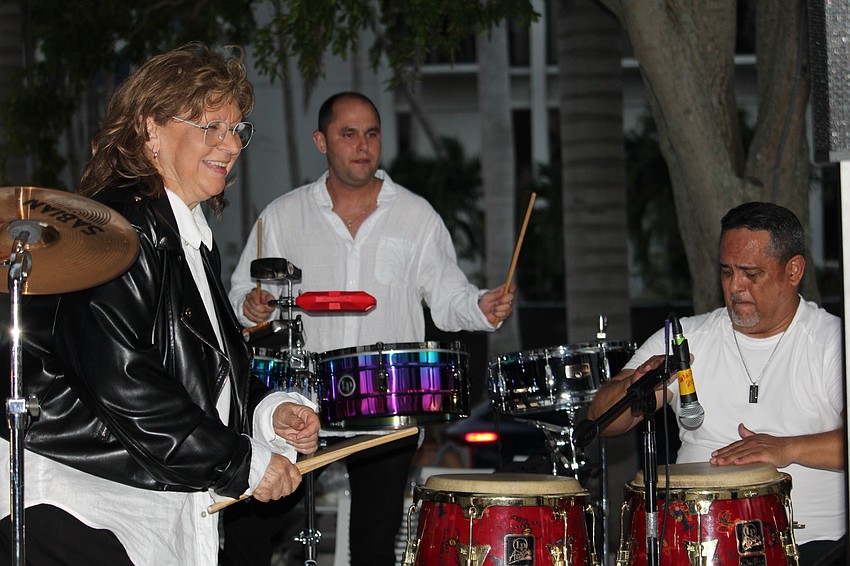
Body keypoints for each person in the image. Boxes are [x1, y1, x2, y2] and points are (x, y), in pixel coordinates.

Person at [0, 43, 320, 566]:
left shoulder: (189, 238)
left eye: (236, 129)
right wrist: (240, 463)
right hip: (81, 504)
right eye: (208, 126)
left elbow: (202, 370)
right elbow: (121, 378)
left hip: (136, 498)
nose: (230, 144)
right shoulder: (115, 229)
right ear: (150, 130)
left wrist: (268, 414)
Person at [225, 91, 515, 566]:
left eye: (372, 133)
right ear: (321, 141)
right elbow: (242, 294)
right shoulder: (282, 215)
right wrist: (252, 307)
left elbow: (447, 300)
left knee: (374, 545)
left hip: (390, 402)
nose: (363, 145)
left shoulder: (416, 215)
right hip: (301, 401)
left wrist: (481, 306)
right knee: (252, 526)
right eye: (349, 133)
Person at [588, 201, 846, 566]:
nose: (735, 286)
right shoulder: (687, 338)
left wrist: (785, 448)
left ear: (793, 271)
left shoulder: (831, 342)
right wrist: (637, 387)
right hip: (694, 547)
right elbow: (601, 420)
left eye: (751, 273)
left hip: (811, 548)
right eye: (726, 272)